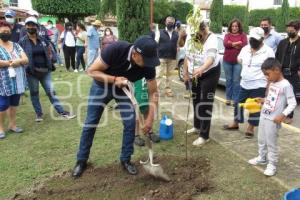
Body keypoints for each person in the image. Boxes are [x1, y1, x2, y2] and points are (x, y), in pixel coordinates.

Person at [72, 35, 160, 178]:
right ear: (135, 54)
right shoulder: (115, 49)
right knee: (90, 122)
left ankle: (125, 159)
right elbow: (91, 71)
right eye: (146, 60)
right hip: (101, 87)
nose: (149, 64)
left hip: (122, 89)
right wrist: (113, 79)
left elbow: (153, 93)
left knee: (130, 122)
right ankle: (81, 160)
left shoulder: (148, 65)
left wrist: (150, 120)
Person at [19, 17, 76, 122]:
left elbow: (50, 51)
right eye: (28, 25)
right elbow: (20, 57)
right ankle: (39, 114)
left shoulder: (43, 40)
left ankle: (62, 112)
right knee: (34, 93)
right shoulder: (22, 42)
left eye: (33, 25)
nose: (31, 27)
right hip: (31, 73)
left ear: (37, 26)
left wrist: (51, 59)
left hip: (45, 71)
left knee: (51, 92)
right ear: (26, 27)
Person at [248, 58, 296, 176]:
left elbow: (293, 103)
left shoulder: (286, 85)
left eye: (267, 74)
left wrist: (283, 115)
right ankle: (262, 157)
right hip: (264, 115)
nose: (266, 77)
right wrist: (263, 100)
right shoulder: (272, 83)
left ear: (277, 70)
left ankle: (272, 164)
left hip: (273, 120)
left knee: (271, 142)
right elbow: (272, 99)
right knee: (261, 139)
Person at [223, 27, 275, 138]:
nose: (252, 41)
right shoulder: (245, 48)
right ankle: (236, 123)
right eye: (251, 38)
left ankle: (250, 128)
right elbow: (239, 59)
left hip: (259, 84)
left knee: (254, 107)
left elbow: (271, 69)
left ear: (262, 39)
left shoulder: (268, 51)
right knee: (238, 103)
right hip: (244, 83)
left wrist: (269, 86)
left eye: (255, 39)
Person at [183, 21, 221, 146]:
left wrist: (201, 69)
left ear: (203, 30)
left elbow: (210, 59)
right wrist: (186, 73)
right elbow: (187, 57)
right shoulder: (191, 36)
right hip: (195, 72)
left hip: (210, 72)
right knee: (196, 99)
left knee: (205, 102)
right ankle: (197, 126)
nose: (195, 36)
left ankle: (204, 135)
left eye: (198, 33)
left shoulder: (212, 39)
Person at [0, 20, 29, 139]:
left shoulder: (16, 45)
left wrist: (19, 61)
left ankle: (12, 125)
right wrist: (10, 63)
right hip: (3, 82)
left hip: (17, 81)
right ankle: (0, 128)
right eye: (3, 31)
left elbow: (26, 59)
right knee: (2, 105)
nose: (6, 33)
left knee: (14, 104)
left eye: (8, 31)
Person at [275, 20, 300, 124]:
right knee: (280, 94)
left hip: (294, 74)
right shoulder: (283, 42)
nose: (289, 31)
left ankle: (289, 116)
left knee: (292, 95)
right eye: (288, 29)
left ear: (297, 30)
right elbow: (277, 56)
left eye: (292, 29)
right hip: (282, 72)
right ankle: (279, 113)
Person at [223, 19, 248, 106]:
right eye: (233, 26)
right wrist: (238, 43)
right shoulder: (227, 35)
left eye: (236, 26)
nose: (234, 28)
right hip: (227, 61)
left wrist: (231, 43)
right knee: (229, 80)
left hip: (238, 62)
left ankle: (235, 99)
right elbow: (226, 44)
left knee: (236, 81)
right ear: (230, 27)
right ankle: (228, 99)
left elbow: (244, 45)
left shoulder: (243, 35)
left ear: (239, 27)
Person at [156, 16, 179, 97]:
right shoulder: (160, 32)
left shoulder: (176, 34)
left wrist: (178, 48)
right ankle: (156, 90)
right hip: (161, 56)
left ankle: (168, 90)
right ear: (165, 23)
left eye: (172, 22)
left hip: (172, 57)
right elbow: (155, 43)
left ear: (174, 23)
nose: (170, 23)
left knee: (170, 75)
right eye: (168, 22)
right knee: (159, 74)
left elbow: (178, 44)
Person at [133, 78, 160, 146]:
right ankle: (136, 135)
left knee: (147, 109)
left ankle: (149, 132)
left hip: (145, 90)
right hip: (135, 90)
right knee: (136, 114)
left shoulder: (148, 69)